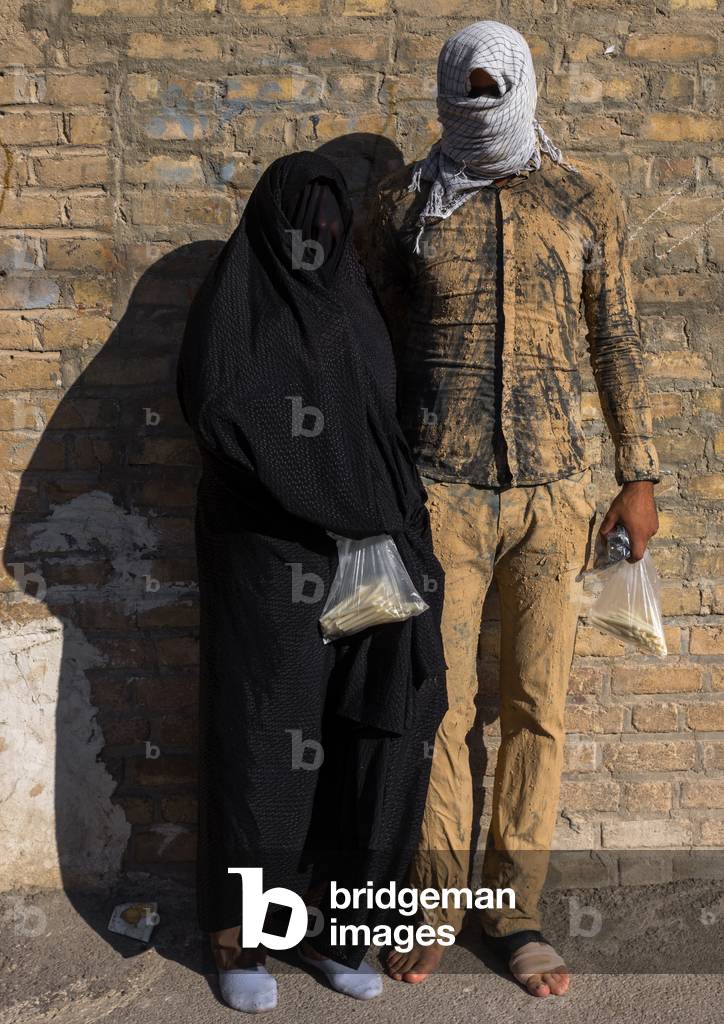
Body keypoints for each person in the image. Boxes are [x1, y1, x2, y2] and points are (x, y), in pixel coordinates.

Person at [357, 20, 660, 999]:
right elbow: (367, 345)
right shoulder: (405, 203)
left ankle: (514, 910)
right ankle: (430, 900)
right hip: (437, 496)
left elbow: (615, 333)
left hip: (554, 495)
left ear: (524, 86)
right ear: (447, 93)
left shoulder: (582, 200)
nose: (484, 100)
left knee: (536, 708)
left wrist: (639, 470)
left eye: (499, 84)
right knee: (436, 708)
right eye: (469, 87)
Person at [176, 150, 448, 1013]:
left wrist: (387, 519)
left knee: (365, 748)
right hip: (271, 564)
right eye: (308, 223)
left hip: (369, 566)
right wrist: (334, 495)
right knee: (267, 749)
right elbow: (225, 412)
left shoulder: (353, 303)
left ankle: (340, 933)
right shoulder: (238, 303)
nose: (321, 238)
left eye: (334, 223)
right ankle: (242, 942)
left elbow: (379, 428)